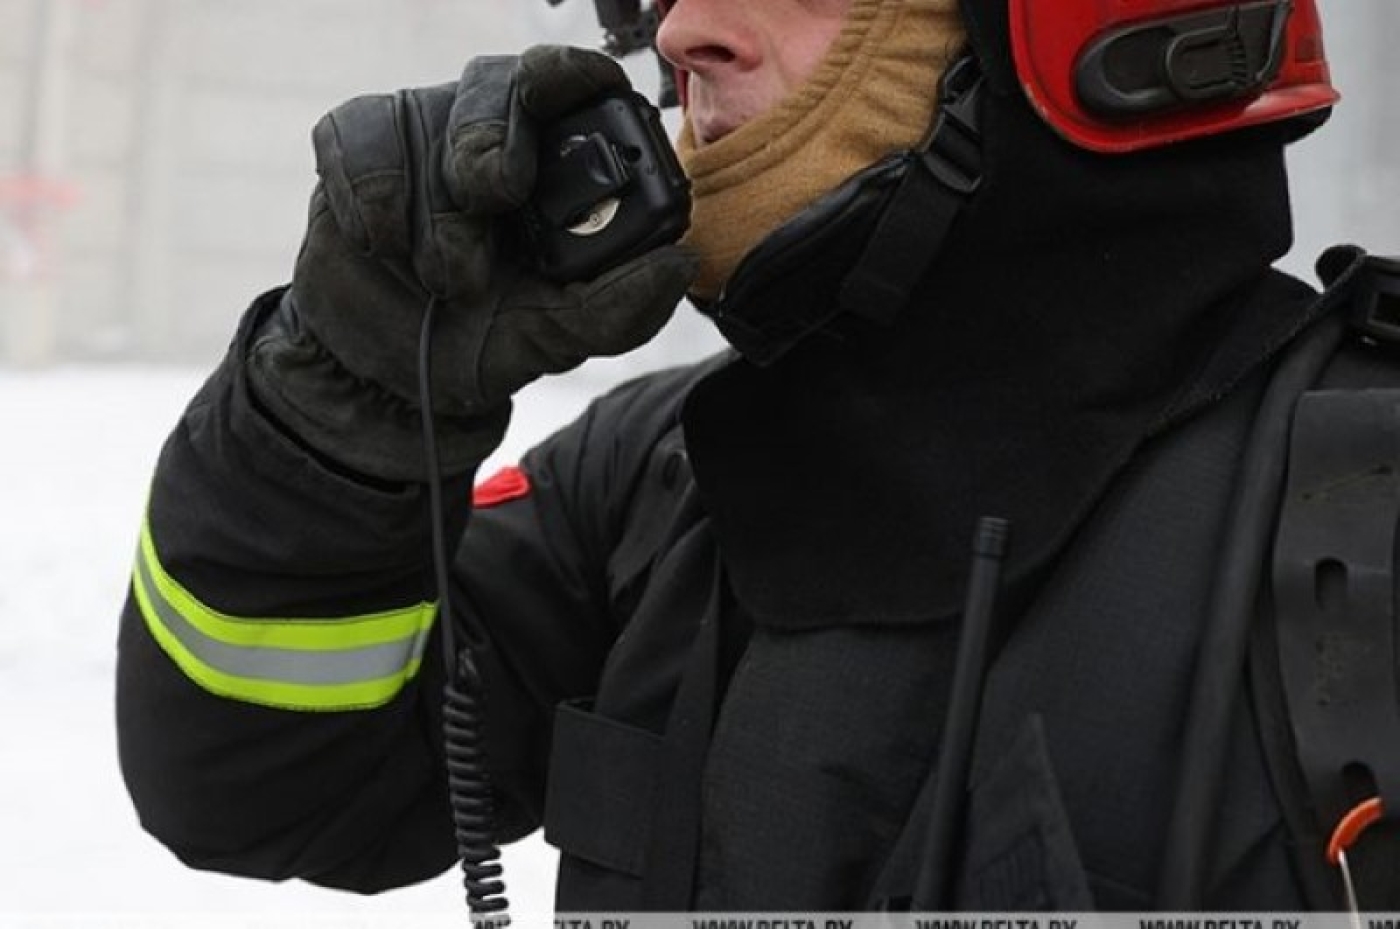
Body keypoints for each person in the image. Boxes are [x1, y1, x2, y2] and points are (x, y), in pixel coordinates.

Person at [116, 0, 1400, 913]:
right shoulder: (656, 477)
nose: (678, 35)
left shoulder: (1366, 495)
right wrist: (344, 405)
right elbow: (260, 781)